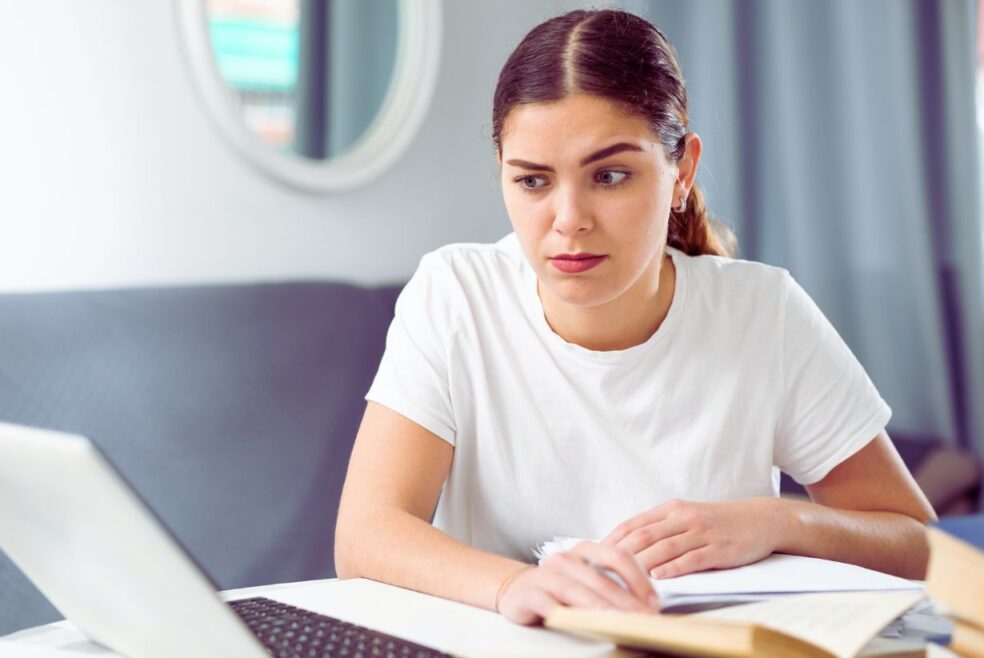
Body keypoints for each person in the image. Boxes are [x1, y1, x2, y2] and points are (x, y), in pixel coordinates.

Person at [334, 8, 936, 626]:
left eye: (611, 175)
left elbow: (917, 543)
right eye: (534, 181)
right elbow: (365, 533)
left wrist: (775, 521)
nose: (569, 219)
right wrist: (515, 585)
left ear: (683, 172)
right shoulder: (456, 294)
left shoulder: (763, 312)